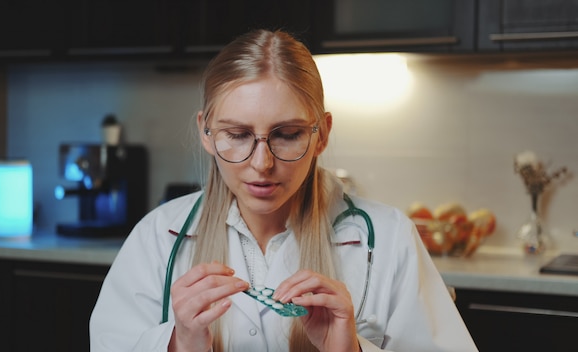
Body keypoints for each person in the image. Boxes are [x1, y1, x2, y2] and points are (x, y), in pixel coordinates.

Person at [89, 29, 478, 352]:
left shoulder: (390, 239)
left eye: (288, 135)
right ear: (206, 133)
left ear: (322, 133)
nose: (262, 163)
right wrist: (179, 343)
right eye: (238, 135)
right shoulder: (158, 237)